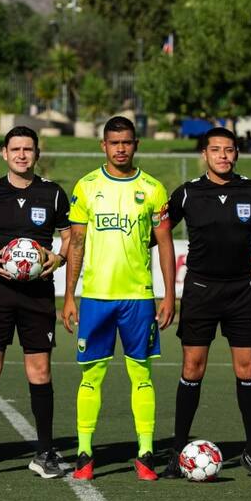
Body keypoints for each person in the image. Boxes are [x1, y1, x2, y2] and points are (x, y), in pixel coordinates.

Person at [160, 127, 251, 480]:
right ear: (204, 153)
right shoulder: (187, 193)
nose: (223, 155)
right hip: (200, 291)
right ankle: (176, 452)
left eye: (229, 150)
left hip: (241, 292)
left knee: (248, 369)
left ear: (236, 154)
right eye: (216, 149)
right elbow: (159, 235)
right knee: (192, 368)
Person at [62, 116, 176, 481]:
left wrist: (169, 294)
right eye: (114, 142)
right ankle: (84, 453)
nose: (121, 148)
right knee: (90, 377)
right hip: (95, 298)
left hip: (138, 298)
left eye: (126, 142)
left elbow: (165, 245)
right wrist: (69, 296)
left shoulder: (153, 189)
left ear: (136, 144)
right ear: (104, 146)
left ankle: (145, 452)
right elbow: (75, 244)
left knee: (141, 375)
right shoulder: (87, 186)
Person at [0, 126, 71, 480]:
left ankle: (45, 452)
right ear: (5, 153)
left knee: (40, 371)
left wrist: (59, 258)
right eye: (15, 149)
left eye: (28, 149)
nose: (22, 155)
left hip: (37, 294)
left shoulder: (52, 194)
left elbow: (70, 239)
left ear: (37, 154)